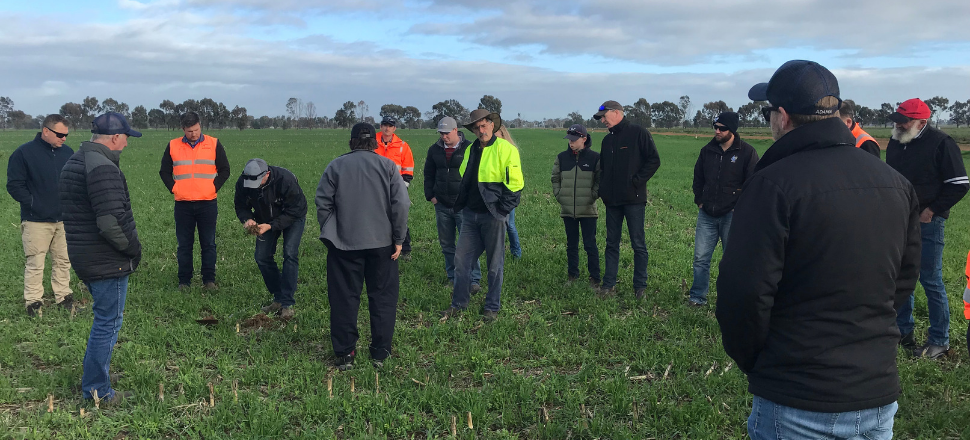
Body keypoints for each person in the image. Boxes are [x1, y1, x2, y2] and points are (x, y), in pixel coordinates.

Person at [716, 60, 921, 440]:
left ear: (782, 116)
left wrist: (756, 361)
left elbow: (743, 292)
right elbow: (903, 280)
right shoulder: (895, 183)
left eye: (767, 113)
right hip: (876, 393)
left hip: (797, 398)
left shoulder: (772, 184)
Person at [59, 112, 143, 405]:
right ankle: (98, 389)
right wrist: (133, 249)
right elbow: (110, 222)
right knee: (108, 322)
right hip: (107, 259)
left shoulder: (76, 160)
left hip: (85, 254)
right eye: (126, 139)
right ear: (115, 138)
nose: (127, 145)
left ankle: (98, 374)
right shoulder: (102, 167)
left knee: (104, 320)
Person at [316, 123, 409, 370]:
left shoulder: (336, 166)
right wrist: (398, 239)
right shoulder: (388, 166)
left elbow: (323, 202)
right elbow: (401, 204)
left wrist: (331, 233)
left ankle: (345, 354)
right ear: (375, 142)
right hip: (383, 245)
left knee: (344, 298)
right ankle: (380, 353)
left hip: (343, 246)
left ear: (351, 142)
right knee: (383, 299)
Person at [886, 98, 969, 359]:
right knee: (902, 276)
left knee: (930, 280)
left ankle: (939, 341)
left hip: (928, 222)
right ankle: (903, 333)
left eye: (905, 120)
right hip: (899, 219)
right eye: (897, 118)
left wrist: (931, 210)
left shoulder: (942, 144)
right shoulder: (896, 141)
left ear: (922, 122)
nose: (898, 124)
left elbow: (959, 183)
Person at [440, 109, 524, 322]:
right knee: (461, 260)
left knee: (494, 264)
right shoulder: (470, 149)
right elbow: (465, 177)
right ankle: (459, 304)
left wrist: (502, 211)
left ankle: (492, 307)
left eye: (484, 125)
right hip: (470, 215)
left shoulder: (506, 149)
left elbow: (515, 186)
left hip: (493, 215)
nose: (481, 130)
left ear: (492, 125)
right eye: (477, 127)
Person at [6, 114, 75, 316]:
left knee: (63, 260)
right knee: (35, 262)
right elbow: (14, 185)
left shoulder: (68, 153)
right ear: (46, 131)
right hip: (35, 221)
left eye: (66, 135)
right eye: (60, 134)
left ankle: (63, 296)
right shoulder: (23, 154)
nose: (64, 139)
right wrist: (35, 204)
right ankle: (33, 302)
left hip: (63, 219)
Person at [688, 112, 759, 306]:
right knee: (701, 258)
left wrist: (739, 208)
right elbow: (698, 178)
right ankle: (697, 297)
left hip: (732, 215)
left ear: (732, 130)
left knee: (731, 261)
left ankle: (730, 299)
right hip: (707, 214)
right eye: (715, 127)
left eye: (722, 128)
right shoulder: (707, 151)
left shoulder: (747, 153)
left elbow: (752, 183)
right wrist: (699, 200)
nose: (717, 131)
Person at [594, 100, 661, 299]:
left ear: (616, 113)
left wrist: (636, 182)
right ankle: (608, 285)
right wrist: (604, 190)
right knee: (611, 243)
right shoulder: (607, 141)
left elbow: (654, 160)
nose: (603, 121)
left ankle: (640, 287)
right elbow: (604, 169)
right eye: (601, 118)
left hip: (634, 200)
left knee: (638, 244)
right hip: (612, 201)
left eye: (604, 117)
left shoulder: (638, 133)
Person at [159, 112, 231, 290]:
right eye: (190, 131)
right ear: (183, 129)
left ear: (200, 125)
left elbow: (225, 170)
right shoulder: (173, 146)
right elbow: (164, 172)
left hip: (207, 203)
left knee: (208, 243)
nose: (194, 133)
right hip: (183, 204)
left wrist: (213, 188)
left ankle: (209, 280)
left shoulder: (213, 144)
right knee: (184, 245)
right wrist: (174, 188)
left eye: (197, 129)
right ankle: (184, 281)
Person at [234, 158, 307, 320]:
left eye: (258, 182)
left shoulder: (285, 180)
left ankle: (287, 304)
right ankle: (278, 298)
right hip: (264, 219)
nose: (255, 186)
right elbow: (241, 205)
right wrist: (247, 219)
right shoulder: (243, 181)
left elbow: (296, 209)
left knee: (289, 253)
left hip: (292, 218)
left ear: (267, 174)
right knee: (262, 257)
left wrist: (271, 226)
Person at [423, 116, 482, 291]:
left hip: (463, 206)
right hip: (441, 204)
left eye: (447, 133)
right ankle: (453, 276)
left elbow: (477, 176)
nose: (444, 136)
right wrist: (431, 196)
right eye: (441, 133)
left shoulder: (471, 148)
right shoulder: (434, 150)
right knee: (447, 244)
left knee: (469, 244)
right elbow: (428, 174)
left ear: (456, 130)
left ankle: (473, 280)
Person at [551, 124, 601, 288]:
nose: (571, 142)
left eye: (574, 139)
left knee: (590, 245)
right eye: (569, 139)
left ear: (584, 139)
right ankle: (572, 275)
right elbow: (555, 178)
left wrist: (592, 196)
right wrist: (560, 196)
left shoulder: (595, 158)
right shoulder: (562, 157)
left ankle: (595, 278)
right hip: (568, 211)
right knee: (571, 245)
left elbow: (600, 181)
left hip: (588, 210)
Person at [376, 116, 415, 259]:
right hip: (375, 189)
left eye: (390, 126)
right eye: (385, 125)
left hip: (396, 189)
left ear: (394, 128)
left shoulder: (402, 146)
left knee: (399, 217)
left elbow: (408, 171)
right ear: (380, 127)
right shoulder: (372, 143)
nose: (387, 128)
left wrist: (401, 190)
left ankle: (405, 249)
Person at [495, 125, 523, 259]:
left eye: (496, 134)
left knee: (509, 224)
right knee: (495, 225)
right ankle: (496, 252)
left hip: (507, 193)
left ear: (503, 134)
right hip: (492, 192)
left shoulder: (511, 150)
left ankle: (516, 252)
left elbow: (514, 176)